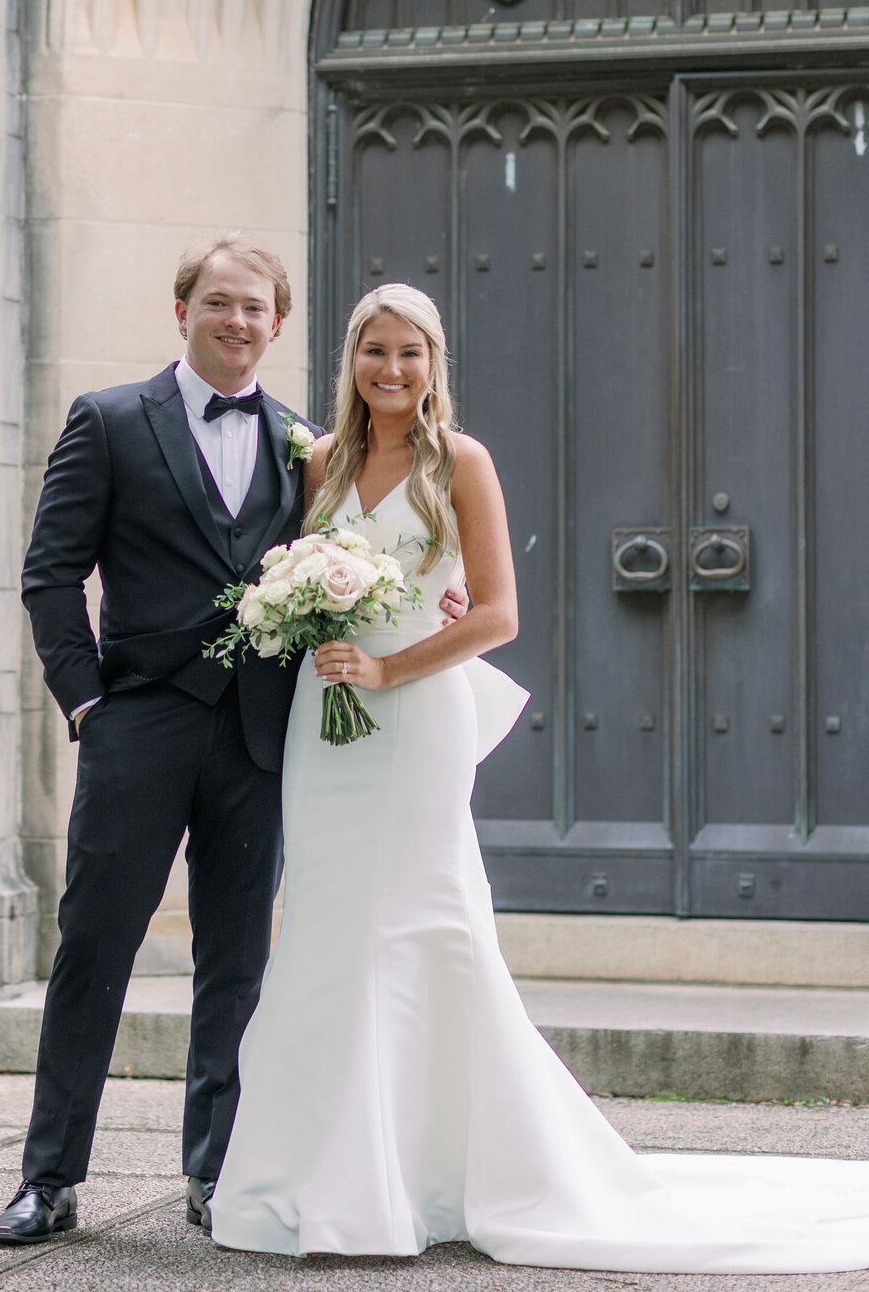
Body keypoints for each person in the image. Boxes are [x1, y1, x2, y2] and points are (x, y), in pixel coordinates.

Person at [210, 282, 869, 1271]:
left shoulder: (459, 462)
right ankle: (331, 1175)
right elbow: (291, 575)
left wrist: (389, 666)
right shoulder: (322, 462)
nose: (392, 371)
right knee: (325, 925)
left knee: (422, 924)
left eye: (411, 354)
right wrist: (309, 623)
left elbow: (498, 615)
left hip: (414, 715)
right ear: (350, 360)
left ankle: (444, 1173)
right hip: (328, 722)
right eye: (375, 351)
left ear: (435, 364)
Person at [0, 237, 468, 1244]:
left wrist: (437, 600)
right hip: (139, 727)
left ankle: (218, 1172)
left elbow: (369, 555)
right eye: (219, 304)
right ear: (182, 310)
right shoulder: (111, 421)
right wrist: (86, 702)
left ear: (279, 325)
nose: (238, 322)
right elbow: (50, 574)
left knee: (237, 962)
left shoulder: (308, 443)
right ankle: (50, 1174)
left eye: (256, 309)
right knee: (94, 948)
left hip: (262, 733)